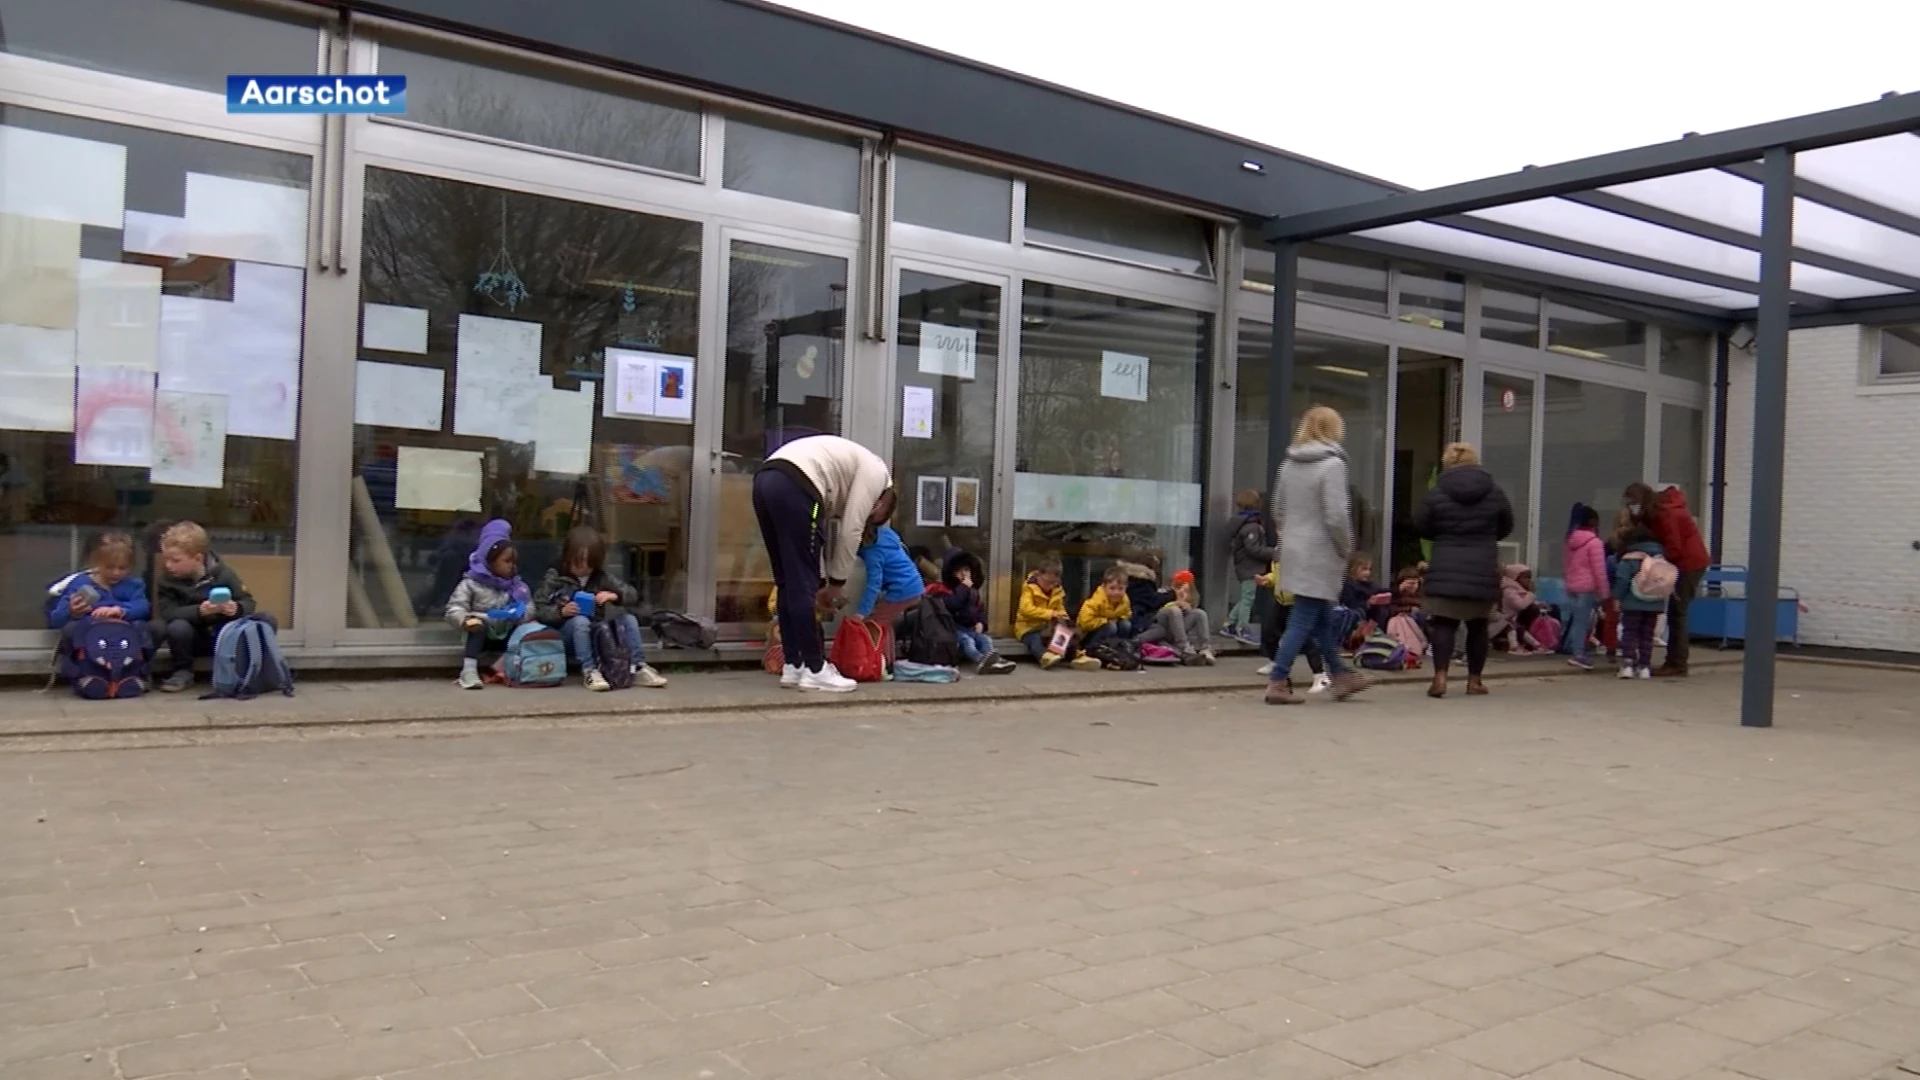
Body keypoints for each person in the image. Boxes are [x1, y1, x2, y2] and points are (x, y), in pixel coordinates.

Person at [751, 434, 896, 693]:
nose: (869, 523)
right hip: (798, 484)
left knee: (787, 581)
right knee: (801, 585)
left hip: (765, 480)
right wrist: (836, 584)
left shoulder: (847, 470)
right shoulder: (876, 474)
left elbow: (824, 533)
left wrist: (824, 577)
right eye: (874, 518)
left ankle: (794, 665)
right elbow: (851, 529)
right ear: (881, 502)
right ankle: (816, 669)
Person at [1264, 406, 1368, 705]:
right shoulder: (1333, 465)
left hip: (1294, 549)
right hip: (1321, 550)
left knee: (1320, 616)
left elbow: (1277, 510)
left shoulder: (1289, 463)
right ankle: (1278, 679)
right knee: (1303, 617)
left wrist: (1289, 535)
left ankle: (1339, 674)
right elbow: (1336, 515)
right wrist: (1345, 547)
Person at [1412, 442, 1514, 699]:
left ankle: (1440, 677)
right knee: (1478, 625)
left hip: (1446, 563)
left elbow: (1421, 524)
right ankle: (1474, 681)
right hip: (1481, 566)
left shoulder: (1437, 492)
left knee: (1444, 623)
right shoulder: (1494, 491)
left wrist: (1443, 535)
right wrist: (1487, 535)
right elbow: (1506, 524)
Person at [534, 525, 667, 691]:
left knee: (629, 619)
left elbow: (633, 595)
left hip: (596, 634)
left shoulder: (600, 577)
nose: (583, 569)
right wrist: (560, 612)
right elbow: (539, 610)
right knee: (580, 621)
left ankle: (638, 666)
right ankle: (589, 670)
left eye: (589, 565)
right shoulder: (555, 577)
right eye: (578, 563)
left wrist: (615, 595)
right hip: (567, 635)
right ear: (567, 557)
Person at [154, 521, 271, 693]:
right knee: (177, 627)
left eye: (175, 560)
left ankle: (259, 667)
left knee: (266, 619)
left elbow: (248, 602)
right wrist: (200, 611)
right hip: (194, 639)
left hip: (224, 635)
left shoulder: (224, 574)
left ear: (197, 558)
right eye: (166, 559)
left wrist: (236, 608)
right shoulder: (167, 581)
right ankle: (183, 671)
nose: (168, 565)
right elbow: (168, 612)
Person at [1626, 481, 1710, 677]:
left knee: (1677, 614)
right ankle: (1675, 661)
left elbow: (1674, 547)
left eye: (1633, 501)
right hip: (1689, 561)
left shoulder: (1666, 515)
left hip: (1689, 564)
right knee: (1676, 613)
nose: (1631, 506)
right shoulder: (1661, 512)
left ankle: (1677, 663)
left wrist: (1656, 561)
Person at [46, 532, 155, 676]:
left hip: (122, 634)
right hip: (91, 634)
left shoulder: (133, 585)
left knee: (145, 628)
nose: (116, 573)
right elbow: (56, 619)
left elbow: (143, 607)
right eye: (109, 567)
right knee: (70, 629)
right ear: (96, 563)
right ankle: (79, 669)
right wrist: (71, 611)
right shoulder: (81, 583)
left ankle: (139, 670)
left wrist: (121, 610)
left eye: (122, 568)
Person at [445, 520, 535, 689]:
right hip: (481, 634)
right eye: (507, 561)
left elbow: (529, 606)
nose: (512, 566)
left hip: (505, 632)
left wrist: (520, 614)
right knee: (479, 627)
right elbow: (454, 608)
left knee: (527, 631)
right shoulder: (471, 583)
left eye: (514, 562)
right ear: (490, 561)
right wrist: (465, 620)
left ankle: (505, 668)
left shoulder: (517, 586)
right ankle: (469, 671)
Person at [928, 548, 1014, 675]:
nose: (963, 574)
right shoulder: (943, 590)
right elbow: (953, 604)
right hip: (954, 629)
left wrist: (981, 622)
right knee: (968, 642)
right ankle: (980, 660)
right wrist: (963, 587)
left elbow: (979, 609)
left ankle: (995, 660)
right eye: (958, 571)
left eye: (966, 570)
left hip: (971, 627)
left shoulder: (973, 592)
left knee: (985, 640)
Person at [1256, 556, 1329, 690]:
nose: (1279, 534)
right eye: (1278, 532)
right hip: (1281, 601)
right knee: (1270, 632)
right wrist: (1269, 579)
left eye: (1282, 532)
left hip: (1297, 602)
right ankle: (1275, 662)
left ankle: (1320, 674)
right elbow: (1278, 574)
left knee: (1305, 639)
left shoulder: (1296, 549)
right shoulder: (1280, 549)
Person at [1014, 560, 1099, 671]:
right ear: (1039, 575)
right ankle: (1043, 656)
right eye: (1047, 582)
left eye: (1053, 583)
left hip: (1048, 627)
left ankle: (1077, 656)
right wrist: (1050, 614)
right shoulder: (1029, 588)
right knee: (1034, 639)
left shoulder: (1057, 590)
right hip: (1028, 627)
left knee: (1066, 633)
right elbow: (1026, 610)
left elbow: (1059, 607)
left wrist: (1064, 617)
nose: (1049, 586)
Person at [1613, 525, 1668, 679]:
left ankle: (1628, 666)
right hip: (1654, 603)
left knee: (1630, 633)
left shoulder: (1629, 559)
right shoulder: (1660, 558)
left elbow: (1622, 580)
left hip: (1632, 603)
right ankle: (1644, 667)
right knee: (1647, 635)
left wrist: (1617, 597)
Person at [853, 519, 925, 629]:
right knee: (883, 621)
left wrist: (861, 613)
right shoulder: (885, 534)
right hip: (914, 584)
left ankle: (884, 647)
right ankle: (888, 645)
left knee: (875, 626)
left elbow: (874, 584)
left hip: (902, 589)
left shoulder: (872, 552)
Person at [1563, 503, 1610, 671]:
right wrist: (1604, 592)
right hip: (1587, 587)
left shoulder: (1571, 540)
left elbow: (1567, 565)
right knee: (1583, 622)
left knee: (1576, 620)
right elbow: (1599, 569)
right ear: (1592, 521)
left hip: (1573, 586)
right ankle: (1578, 654)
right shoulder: (1595, 543)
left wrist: (1568, 583)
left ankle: (1574, 649)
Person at [1135, 570, 1216, 665]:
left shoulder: (1190, 595)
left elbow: (1191, 608)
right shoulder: (1164, 592)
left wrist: (1185, 601)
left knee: (1200, 613)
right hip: (1162, 628)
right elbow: (1156, 607)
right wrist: (1175, 601)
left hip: (1178, 628)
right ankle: (1185, 648)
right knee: (1174, 610)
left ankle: (1205, 648)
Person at [1223, 490, 1273, 643]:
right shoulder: (1252, 526)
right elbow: (1253, 549)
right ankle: (1241, 628)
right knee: (1248, 598)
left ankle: (1230, 624)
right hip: (1250, 567)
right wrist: (1273, 552)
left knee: (1246, 597)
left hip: (1245, 566)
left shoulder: (1243, 523)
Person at [1077, 564, 1135, 651]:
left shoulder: (1124, 601)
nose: (1116, 592)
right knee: (1111, 626)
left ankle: (1118, 648)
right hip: (1088, 634)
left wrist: (1119, 619)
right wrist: (1105, 621)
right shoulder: (1096, 601)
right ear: (1104, 587)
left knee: (1126, 624)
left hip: (1110, 630)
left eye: (1120, 589)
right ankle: (1094, 648)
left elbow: (1127, 614)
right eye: (1112, 588)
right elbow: (1085, 622)